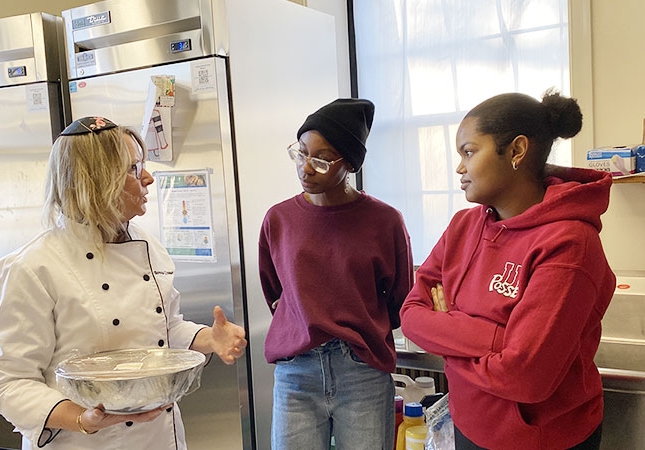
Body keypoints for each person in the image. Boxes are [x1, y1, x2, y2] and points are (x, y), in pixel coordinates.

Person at [0, 116, 247, 450]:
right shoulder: (33, 266)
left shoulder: (149, 246)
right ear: (94, 180)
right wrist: (83, 419)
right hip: (83, 443)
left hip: (159, 438)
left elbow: (161, 334)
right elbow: (9, 382)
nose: (148, 178)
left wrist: (210, 338)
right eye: (134, 169)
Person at [400, 91, 615, 450]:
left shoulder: (569, 243)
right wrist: (498, 339)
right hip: (469, 424)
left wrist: (447, 326)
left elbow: (526, 377)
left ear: (516, 151)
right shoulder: (462, 227)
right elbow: (410, 316)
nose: (459, 168)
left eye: (469, 152)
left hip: (541, 439)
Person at [259, 98, 414, 450]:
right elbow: (274, 290)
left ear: (350, 163)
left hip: (361, 371)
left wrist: (356, 326)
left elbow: (401, 298)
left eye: (322, 159)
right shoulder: (278, 219)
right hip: (296, 371)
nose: (306, 168)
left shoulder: (384, 221)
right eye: (300, 154)